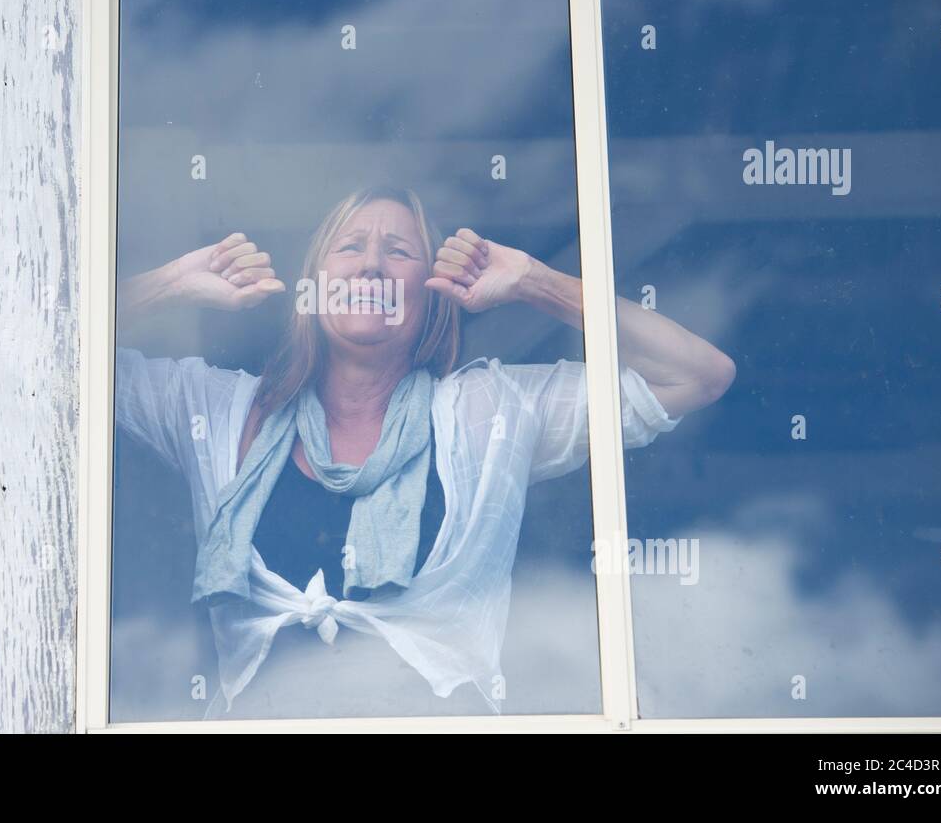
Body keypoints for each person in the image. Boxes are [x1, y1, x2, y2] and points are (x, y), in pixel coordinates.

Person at [115, 185, 735, 718]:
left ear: (430, 292)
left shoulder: (487, 415)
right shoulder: (219, 415)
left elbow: (698, 374)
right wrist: (168, 285)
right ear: (314, 284)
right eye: (350, 246)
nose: (371, 267)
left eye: (399, 251)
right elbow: (59, 360)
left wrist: (536, 283)